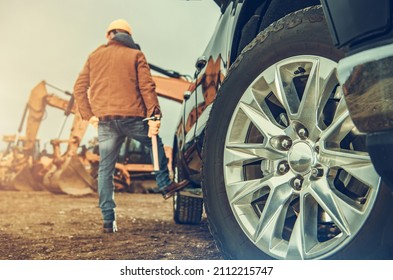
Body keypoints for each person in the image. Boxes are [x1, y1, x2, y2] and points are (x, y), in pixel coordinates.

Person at [73, 19, 188, 233]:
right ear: (128, 36)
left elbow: (79, 88)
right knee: (155, 143)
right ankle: (164, 183)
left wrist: (89, 116)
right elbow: (147, 87)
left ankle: (109, 220)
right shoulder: (136, 55)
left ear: (110, 35)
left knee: (105, 170)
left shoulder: (94, 56)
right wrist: (155, 116)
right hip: (133, 119)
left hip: (105, 122)